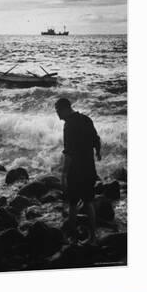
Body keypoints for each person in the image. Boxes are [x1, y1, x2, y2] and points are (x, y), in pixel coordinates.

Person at [55, 98, 101, 244]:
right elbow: (96, 139)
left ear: (65, 109)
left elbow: (69, 152)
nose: (57, 115)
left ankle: (73, 237)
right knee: (88, 202)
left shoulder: (68, 126)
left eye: (57, 111)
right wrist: (98, 153)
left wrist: (63, 173)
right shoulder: (86, 119)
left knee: (73, 203)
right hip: (89, 168)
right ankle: (93, 236)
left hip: (76, 171)